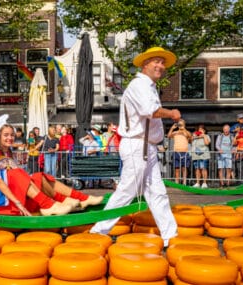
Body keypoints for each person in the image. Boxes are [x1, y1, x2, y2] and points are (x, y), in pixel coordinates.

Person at [90, 47, 181, 247]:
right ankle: (98, 231)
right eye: (156, 61)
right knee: (127, 190)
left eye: (162, 63)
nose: (160, 66)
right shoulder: (140, 85)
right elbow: (150, 111)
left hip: (146, 147)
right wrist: (172, 113)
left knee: (157, 191)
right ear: (145, 64)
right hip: (136, 145)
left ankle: (170, 235)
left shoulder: (148, 87)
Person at [0, 119, 72, 216]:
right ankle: (48, 204)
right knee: (17, 175)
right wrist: (17, 202)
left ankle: (62, 201)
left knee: (34, 177)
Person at [0, 123, 104, 211]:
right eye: (6, 135)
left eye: (12, 135)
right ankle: (58, 202)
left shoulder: (8, 151)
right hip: (9, 195)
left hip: (16, 188)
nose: (10, 138)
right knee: (34, 177)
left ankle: (81, 197)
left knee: (41, 176)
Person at [168, 119, 192, 185]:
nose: (180, 126)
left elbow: (190, 138)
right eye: (179, 124)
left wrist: (184, 130)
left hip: (185, 152)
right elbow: (169, 136)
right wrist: (172, 128)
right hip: (176, 152)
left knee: (184, 168)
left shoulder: (187, 132)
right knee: (177, 168)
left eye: (181, 124)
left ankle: (184, 182)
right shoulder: (175, 132)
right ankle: (177, 182)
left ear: (184, 125)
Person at [191, 124, 211, 188]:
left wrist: (204, 136)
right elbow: (190, 141)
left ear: (204, 131)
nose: (200, 130)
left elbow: (207, 143)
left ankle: (204, 183)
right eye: (199, 129)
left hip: (204, 155)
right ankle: (197, 183)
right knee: (197, 169)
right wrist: (194, 136)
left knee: (203, 168)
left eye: (202, 129)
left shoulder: (207, 136)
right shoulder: (195, 136)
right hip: (196, 155)